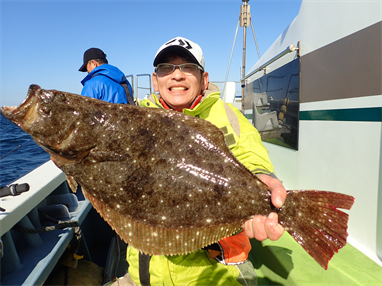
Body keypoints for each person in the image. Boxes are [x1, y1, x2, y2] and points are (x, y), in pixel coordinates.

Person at [110, 37, 287, 286]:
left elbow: (251, 157)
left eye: (188, 68)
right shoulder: (135, 121)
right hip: (144, 273)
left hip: (215, 273)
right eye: (166, 68)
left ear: (203, 80)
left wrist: (260, 179)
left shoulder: (228, 116)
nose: (177, 75)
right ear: (155, 79)